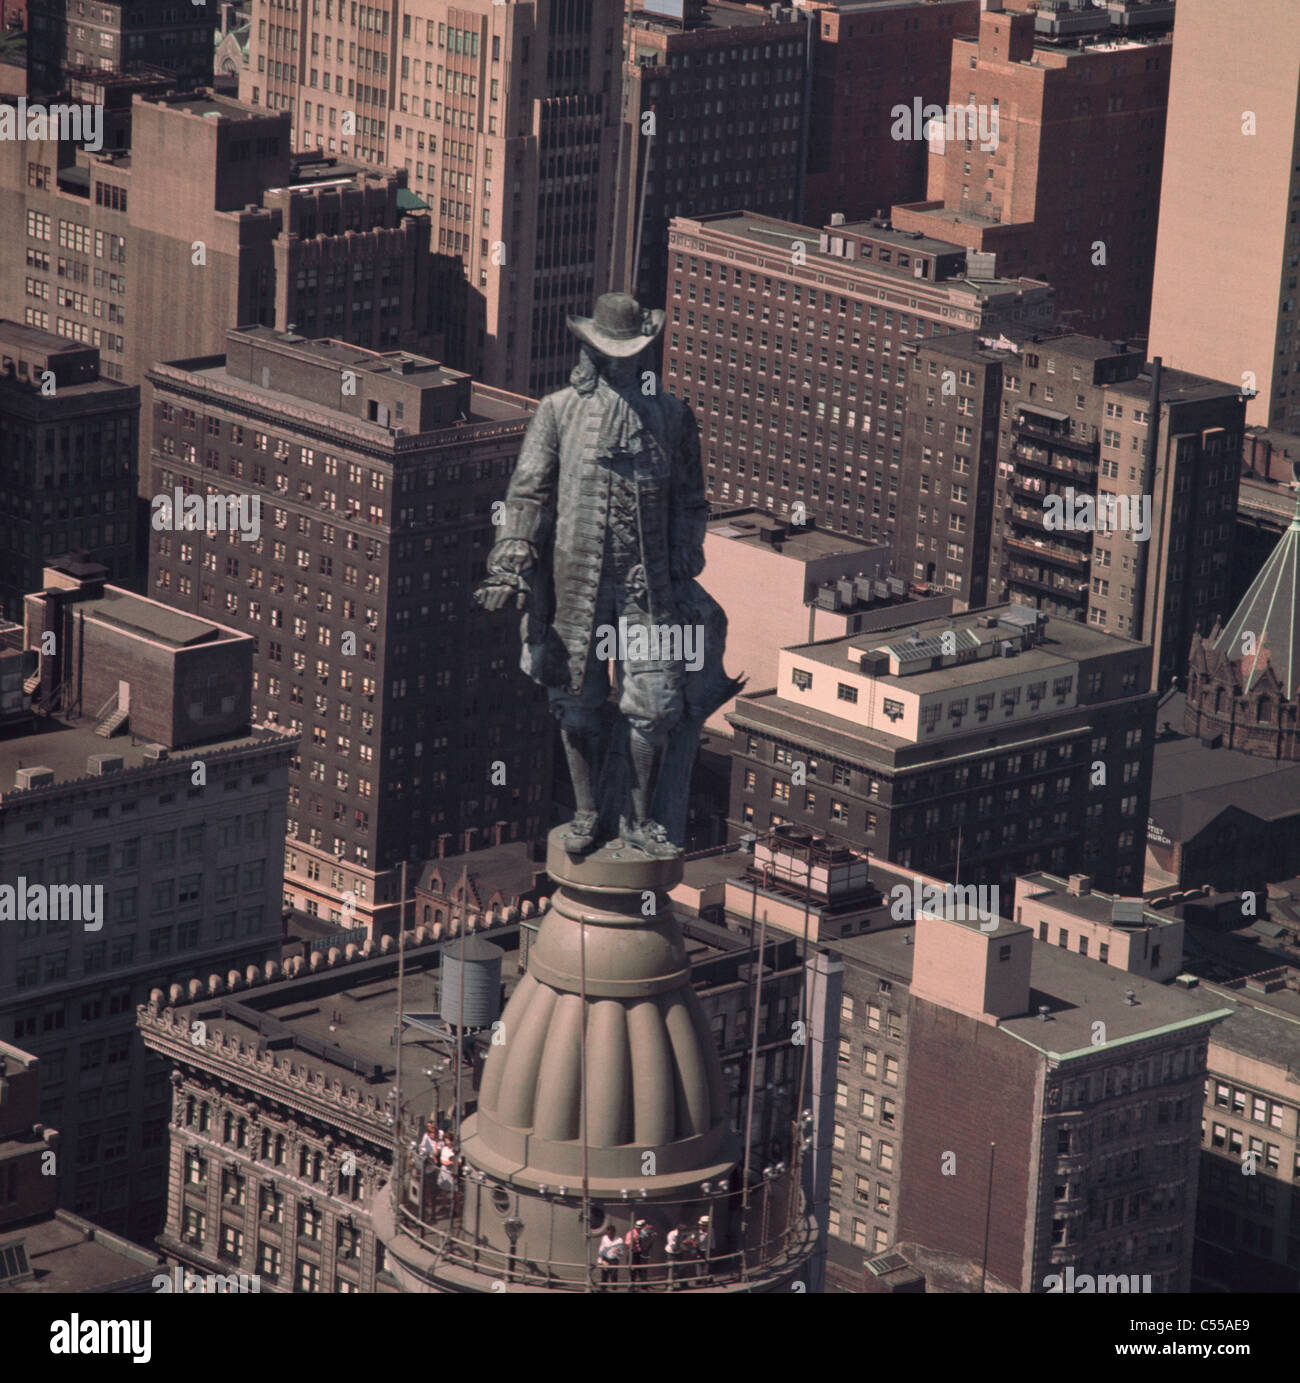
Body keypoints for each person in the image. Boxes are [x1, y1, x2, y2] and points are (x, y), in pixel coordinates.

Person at [475, 292, 742, 858]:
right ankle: (589, 811)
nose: (622, 361)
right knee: (576, 704)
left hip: (650, 589)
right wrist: (511, 558)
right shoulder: (558, 411)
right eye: (610, 352)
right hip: (575, 583)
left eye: (631, 352)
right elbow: (527, 495)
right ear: (590, 350)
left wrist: (686, 550)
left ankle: (639, 820)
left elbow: (693, 500)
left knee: (653, 706)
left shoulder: (672, 416)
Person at [625, 1218, 657, 1288]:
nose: (639, 1230)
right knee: (633, 1271)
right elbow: (628, 1245)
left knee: (642, 1270)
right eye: (638, 1228)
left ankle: (643, 1286)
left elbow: (647, 1244)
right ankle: (632, 1287)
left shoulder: (643, 1233)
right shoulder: (630, 1233)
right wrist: (634, 1239)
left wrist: (652, 1238)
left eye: (640, 1228)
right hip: (633, 1254)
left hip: (641, 1254)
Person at [664, 1223, 685, 1291]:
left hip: (679, 1252)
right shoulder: (671, 1234)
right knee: (670, 1268)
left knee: (681, 1267)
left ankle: (683, 1284)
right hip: (671, 1252)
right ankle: (668, 1285)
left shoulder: (683, 1234)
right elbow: (672, 1245)